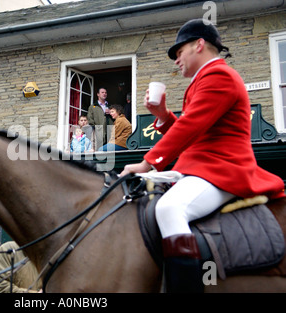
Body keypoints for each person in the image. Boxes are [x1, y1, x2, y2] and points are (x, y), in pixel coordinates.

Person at [120, 19, 285, 292]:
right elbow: (194, 132)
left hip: (223, 172)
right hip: (200, 170)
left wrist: (146, 163)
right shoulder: (203, 81)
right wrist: (162, 114)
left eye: (179, 52)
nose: (176, 60)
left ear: (199, 45)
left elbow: (190, 126)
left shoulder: (220, 76)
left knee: (170, 208)